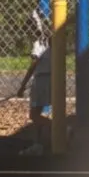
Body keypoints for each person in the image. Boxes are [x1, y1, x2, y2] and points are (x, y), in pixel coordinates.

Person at [17, 11, 52, 156]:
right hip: (51, 78)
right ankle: (38, 145)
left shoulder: (38, 43)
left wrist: (23, 85)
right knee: (39, 113)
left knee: (33, 114)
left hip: (41, 79)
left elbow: (33, 65)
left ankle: (62, 130)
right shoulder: (52, 42)